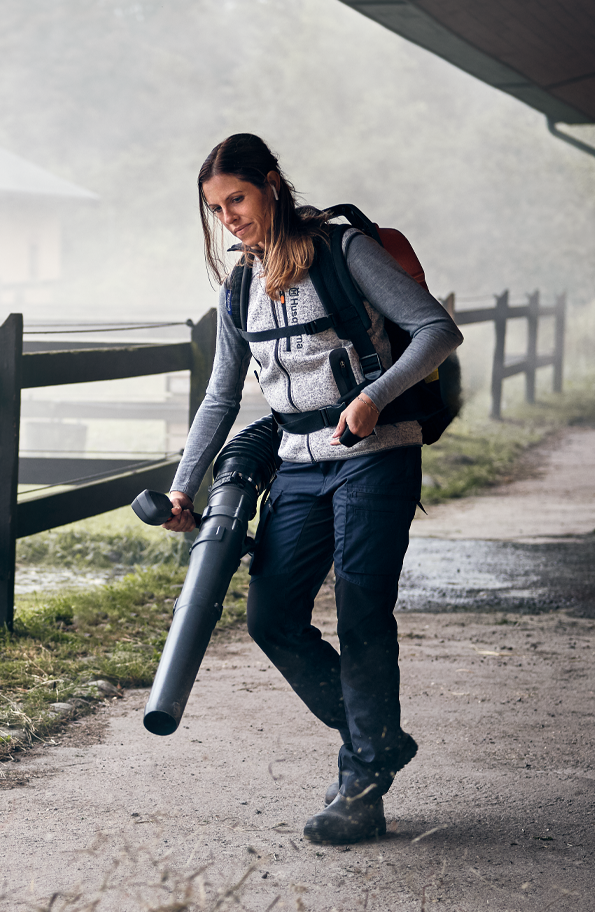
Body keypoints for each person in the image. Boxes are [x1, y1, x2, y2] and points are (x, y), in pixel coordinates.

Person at [164, 134, 463, 845]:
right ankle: (375, 739)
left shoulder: (344, 250)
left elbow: (436, 330)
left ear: (271, 184)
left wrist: (375, 398)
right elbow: (221, 396)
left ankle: (360, 786)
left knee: (361, 614)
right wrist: (182, 487)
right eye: (216, 208)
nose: (229, 217)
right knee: (271, 617)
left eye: (237, 198)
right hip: (297, 463)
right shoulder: (239, 286)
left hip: (375, 454)